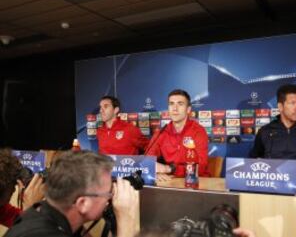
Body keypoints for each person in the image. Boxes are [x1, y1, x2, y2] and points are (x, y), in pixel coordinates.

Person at [5, 150, 140, 237]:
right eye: (108, 193)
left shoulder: (44, 212)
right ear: (82, 203)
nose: (110, 198)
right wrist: (126, 221)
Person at [146, 89, 209, 178]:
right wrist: (157, 173)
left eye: (180, 104)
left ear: (188, 109)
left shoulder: (198, 131)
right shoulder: (161, 133)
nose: (175, 108)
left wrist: (170, 169)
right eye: (171, 104)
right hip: (171, 182)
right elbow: (147, 160)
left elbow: (201, 167)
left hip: (196, 183)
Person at [0, 148, 44, 228]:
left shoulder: (1, 209)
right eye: (12, 185)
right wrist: (32, 208)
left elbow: (16, 218)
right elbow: (25, 232)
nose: (14, 190)